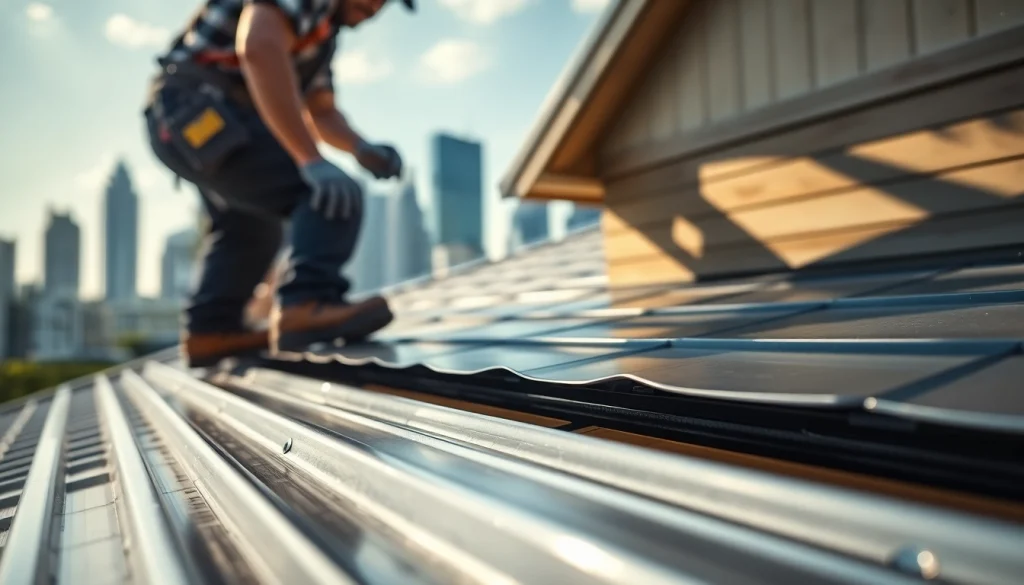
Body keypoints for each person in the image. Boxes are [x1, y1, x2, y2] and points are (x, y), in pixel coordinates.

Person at [143, 0, 414, 367]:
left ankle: (211, 332)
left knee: (251, 228)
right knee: (329, 193)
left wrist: (360, 147)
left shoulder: (321, 35)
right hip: (198, 109)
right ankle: (306, 303)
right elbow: (259, 48)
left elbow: (319, 110)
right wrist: (310, 160)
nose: (376, 8)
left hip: (191, 117)